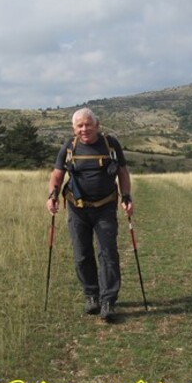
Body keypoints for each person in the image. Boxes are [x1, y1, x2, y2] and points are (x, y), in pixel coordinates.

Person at [46, 108, 133, 323]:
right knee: (81, 255)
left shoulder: (110, 144)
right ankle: (91, 295)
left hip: (105, 207)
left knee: (108, 253)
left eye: (88, 124)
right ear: (73, 128)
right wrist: (52, 195)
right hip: (77, 209)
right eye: (79, 126)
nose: (84, 129)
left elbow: (123, 172)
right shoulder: (69, 147)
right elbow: (57, 174)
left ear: (97, 124)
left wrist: (127, 197)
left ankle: (108, 300)